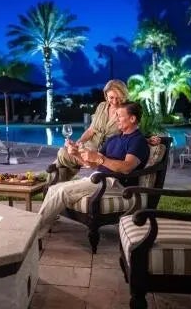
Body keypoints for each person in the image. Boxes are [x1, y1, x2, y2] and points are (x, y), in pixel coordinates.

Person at [38, 101, 149, 237]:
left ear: (132, 119)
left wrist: (100, 159)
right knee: (53, 189)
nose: (116, 119)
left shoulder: (138, 141)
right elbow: (93, 165)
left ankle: (35, 233)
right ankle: (39, 229)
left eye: (119, 116)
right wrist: (76, 154)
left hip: (117, 184)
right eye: (116, 115)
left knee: (62, 192)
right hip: (99, 179)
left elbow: (127, 167)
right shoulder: (113, 139)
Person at [54, 79, 129, 180]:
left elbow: (131, 133)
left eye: (118, 98)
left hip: (105, 154)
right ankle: (57, 181)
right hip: (88, 147)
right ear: (106, 95)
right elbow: (91, 130)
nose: (115, 102)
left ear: (124, 96)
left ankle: (54, 181)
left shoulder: (127, 111)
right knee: (66, 151)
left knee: (62, 154)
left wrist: (146, 139)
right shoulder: (102, 107)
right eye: (111, 97)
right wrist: (78, 143)